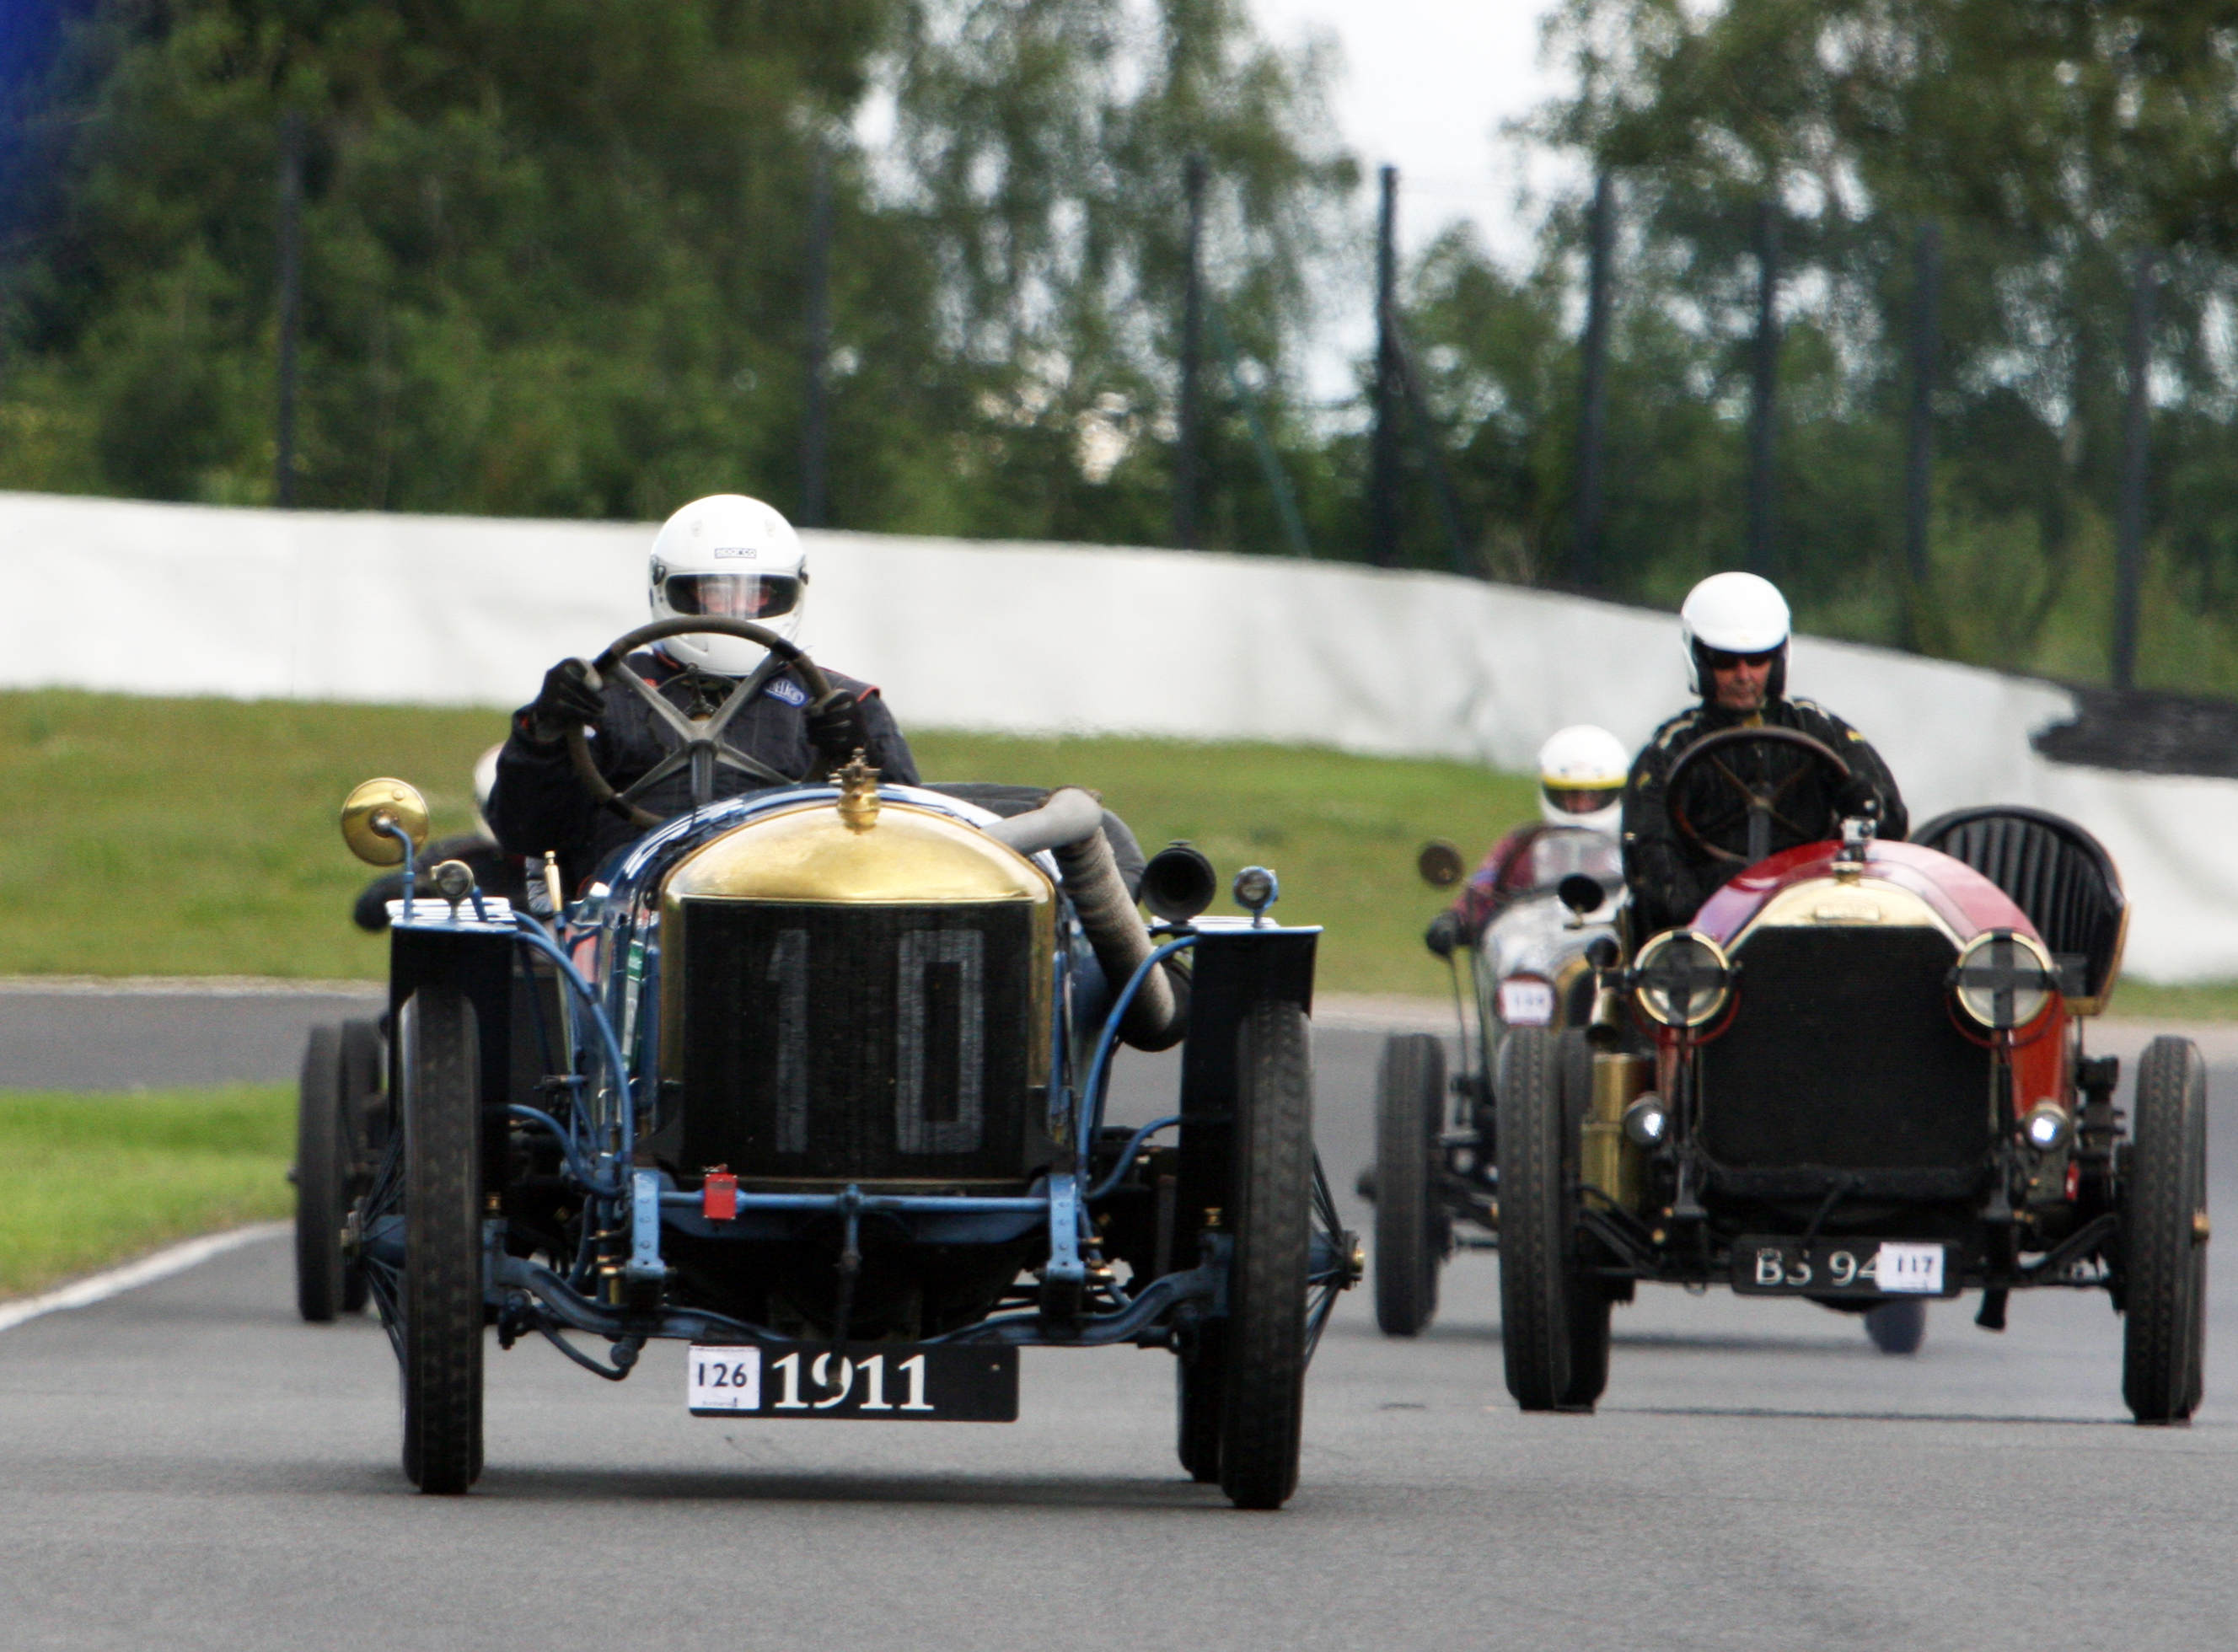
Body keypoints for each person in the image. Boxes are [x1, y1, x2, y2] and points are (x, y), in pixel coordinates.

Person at [490, 494, 918, 889]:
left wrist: (858, 753)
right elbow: (525, 832)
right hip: (638, 904)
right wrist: (543, 732)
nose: (734, 609)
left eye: (755, 595)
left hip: (786, 893)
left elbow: (909, 843)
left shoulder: (843, 702)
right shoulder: (604, 697)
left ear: (790, 591)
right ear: (670, 588)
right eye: (715, 593)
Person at [1622, 571, 1906, 935]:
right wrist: (1709, 913)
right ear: (1701, 662)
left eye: (1757, 660)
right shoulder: (1670, 751)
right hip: (1712, 927)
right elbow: (1649, 857)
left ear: (1777, 660)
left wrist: (1862, 799)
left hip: (1813, 916)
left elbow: (1890, 820)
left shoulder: (1817, 729)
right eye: (1726, 661)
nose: (1744, 675)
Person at [1428, 724, 1629, 954]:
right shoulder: (1524, 847)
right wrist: (1454, 921)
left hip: (1615, 961)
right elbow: (1484, 892)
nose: (1581, 805)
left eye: (1593, 795)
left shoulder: (1636, 849)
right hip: (1541, 959)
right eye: (1570, 795)